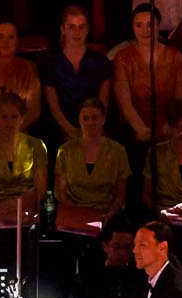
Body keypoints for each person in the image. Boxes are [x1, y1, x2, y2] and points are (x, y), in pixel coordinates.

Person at [112, 4, 182, 147]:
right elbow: (124, 102)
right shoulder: (122, 58)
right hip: (133, 132)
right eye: (139, 25)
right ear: (132, 27)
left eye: (150, 25)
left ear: (158, 26)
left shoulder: (176, 57)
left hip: (169, 131)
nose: (145, 31)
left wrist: (169, 126)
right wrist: (140, 129)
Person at [53, 96, 131, 238]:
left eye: (95, 118)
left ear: (103, 120)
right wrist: (78, 215)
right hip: (74, 215)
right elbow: (60, 191)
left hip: (107, 215)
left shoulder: (117, 151)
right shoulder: (65, 150)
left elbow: (121, 195)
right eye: (86, 118)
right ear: (79, 120)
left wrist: (109, 215)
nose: (90, 123)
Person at [39, 5, 114, 144]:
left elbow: (103, 101)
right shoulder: (51, 64)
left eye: (81, 27)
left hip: (95, 128)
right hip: (61, 131)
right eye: (71, 27)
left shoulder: (100, 62)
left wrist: (94, 128)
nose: (76, 32)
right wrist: (69, 130)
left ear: (88, 29)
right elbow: (53, 106)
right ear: (63, 29)